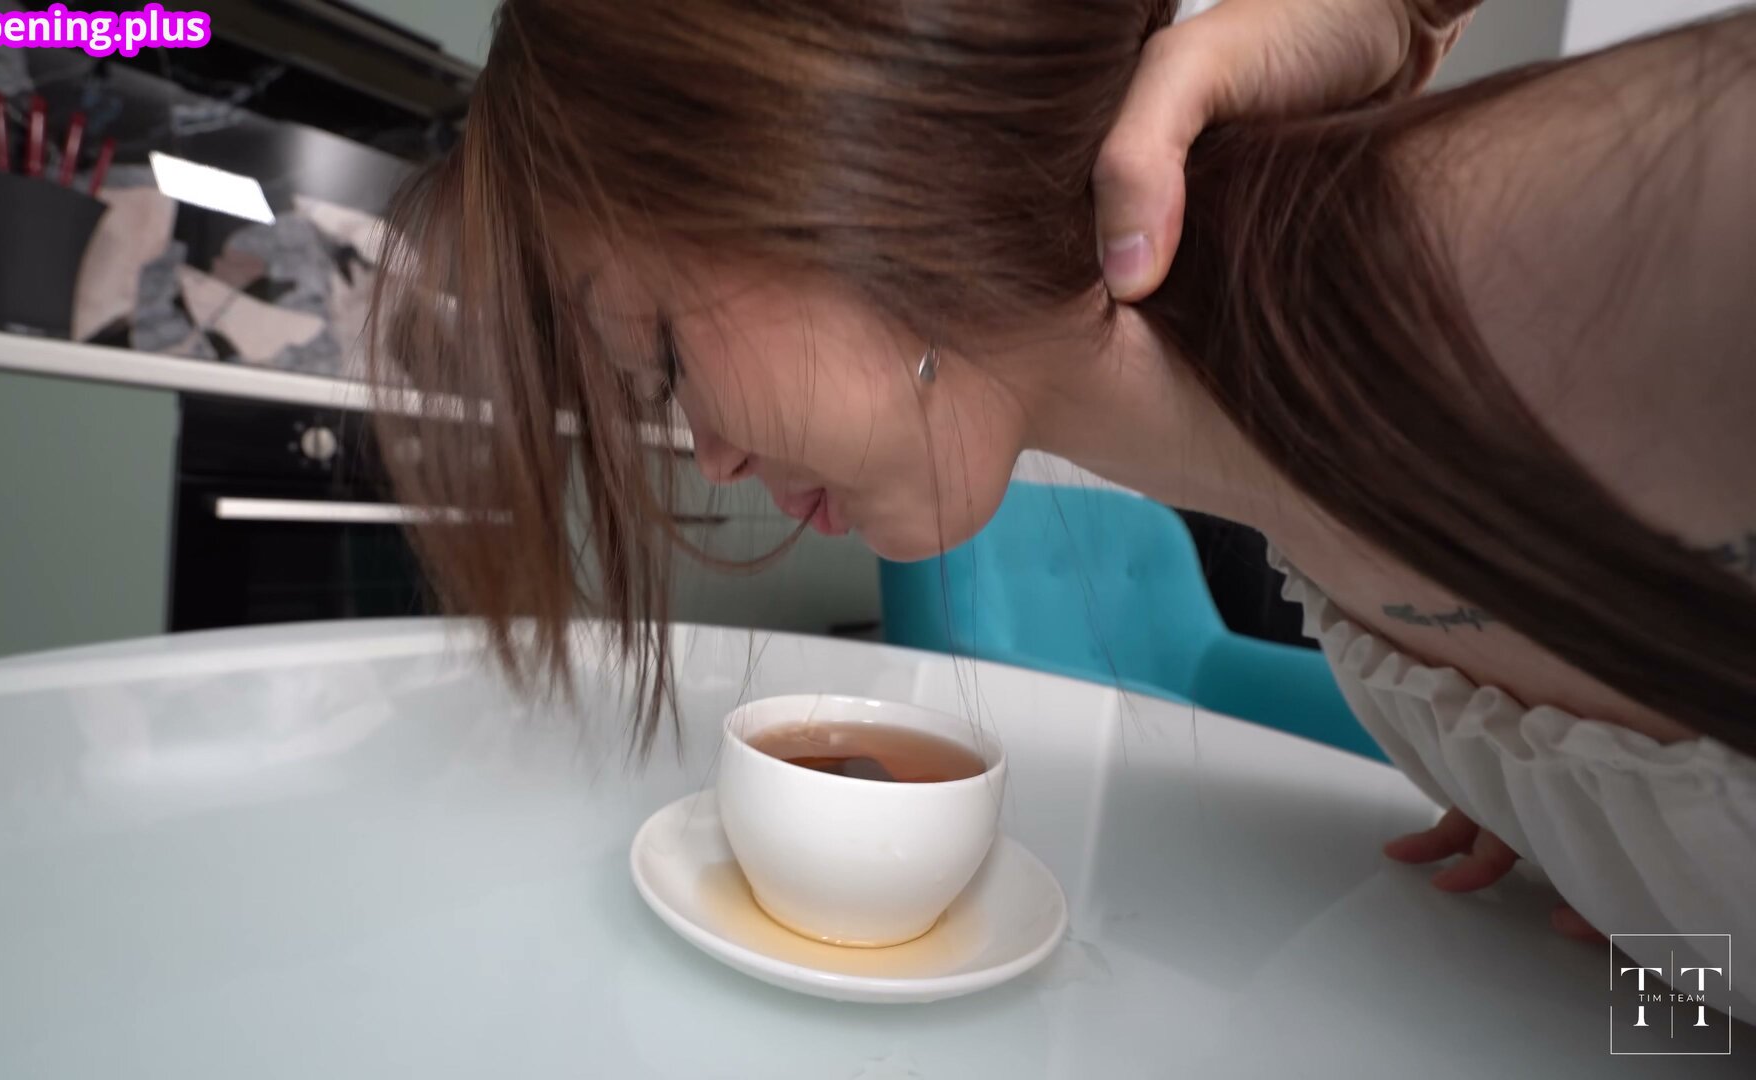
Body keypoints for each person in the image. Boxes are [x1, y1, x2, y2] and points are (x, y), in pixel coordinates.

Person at [369, 0, 1755, 1016]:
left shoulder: (1537, 239)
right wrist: (1648, 884)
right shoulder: (1321, 478)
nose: (711, 458)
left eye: (664, 359)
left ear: (838, 151)